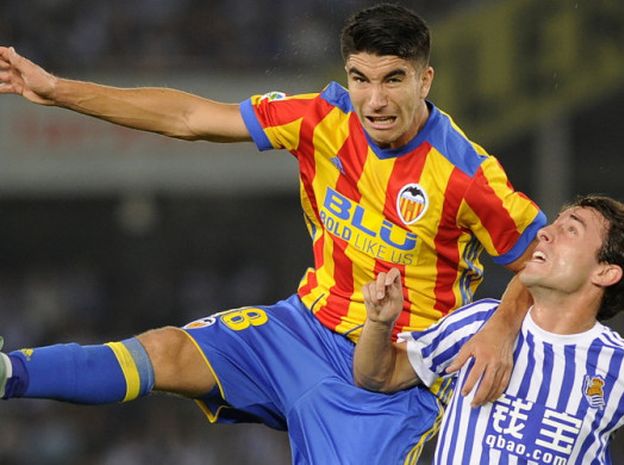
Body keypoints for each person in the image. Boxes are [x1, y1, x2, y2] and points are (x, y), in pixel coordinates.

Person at [0, 4, 546, 464]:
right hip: (300, 330)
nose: (374, 101)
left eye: (393, 80)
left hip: (389, 379)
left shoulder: (467, 174)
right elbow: (191, 116)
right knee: (165, 352)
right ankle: (8, 372)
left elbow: (543, 260)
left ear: (425, 79)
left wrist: (500, 327)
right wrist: (58, 90)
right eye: (361, 78)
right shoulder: (320, 119)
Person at [355, 194, 624, 464]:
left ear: (605, 273)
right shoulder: (479, 324)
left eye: (571, 230)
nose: (545, 233)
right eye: (555, 224)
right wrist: (379, 323)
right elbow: (378, 376)